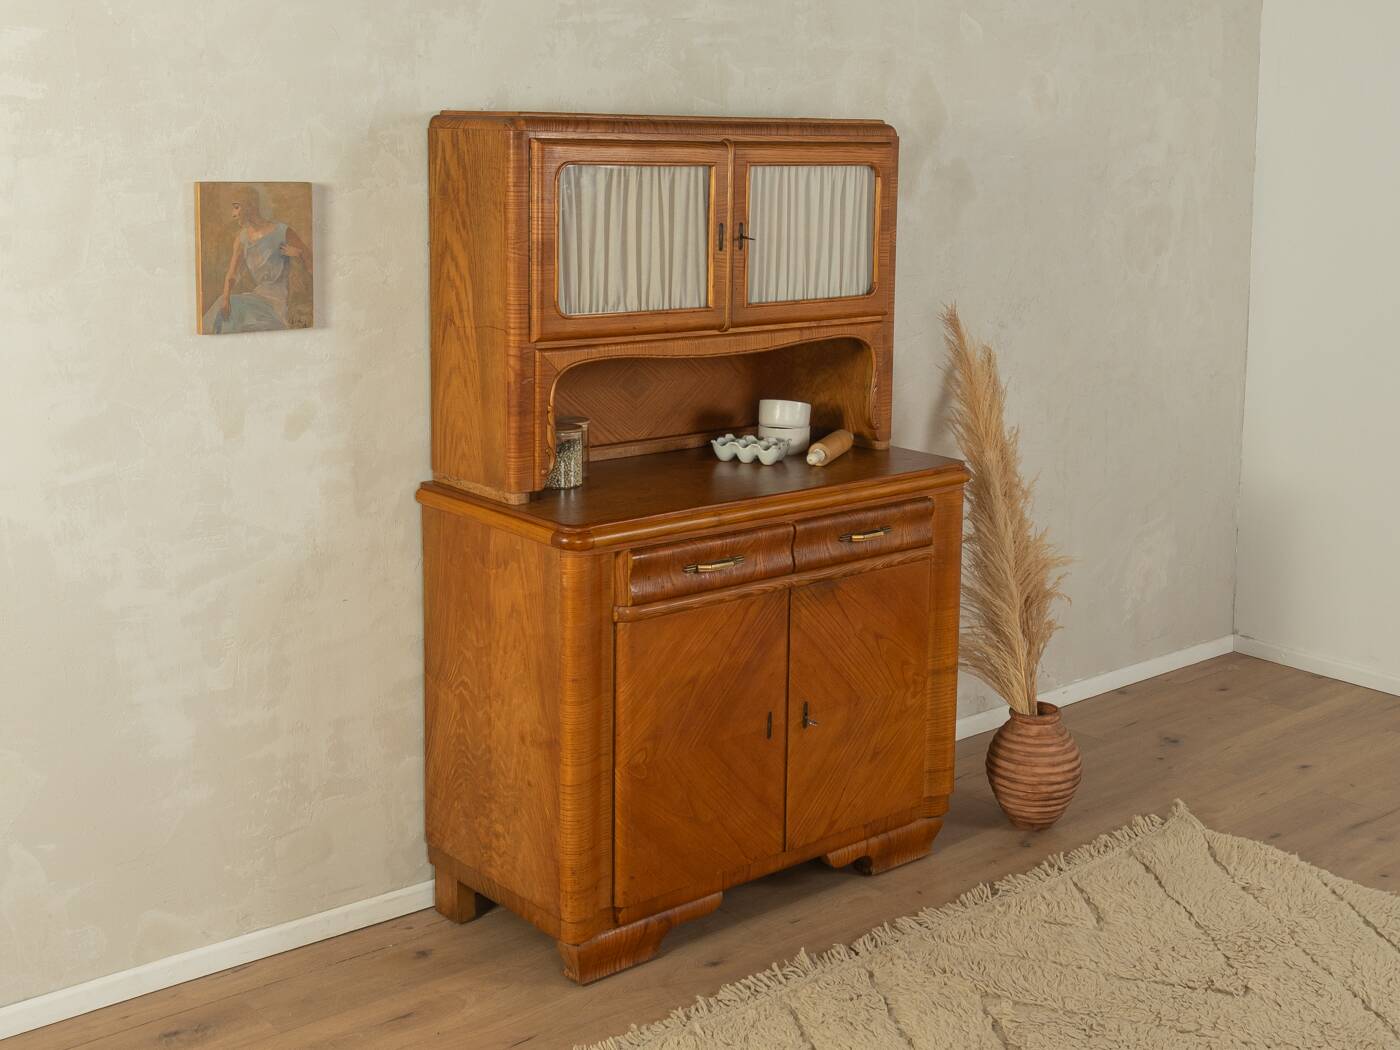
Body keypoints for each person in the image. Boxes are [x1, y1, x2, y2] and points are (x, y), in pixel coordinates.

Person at [203, 185, 311, 333]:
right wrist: (226, 298)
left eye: (236, 207)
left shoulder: (282, 231)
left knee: (237, 311)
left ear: (250, 206)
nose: (233, 214)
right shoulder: (242, 239)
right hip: (258, 297)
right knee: (222, 309)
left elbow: (311, 263)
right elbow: (232, 274)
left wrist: (298, 254)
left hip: (279, 300)